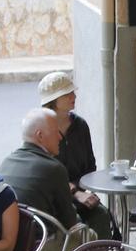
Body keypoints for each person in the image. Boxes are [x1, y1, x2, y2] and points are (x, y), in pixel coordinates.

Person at [0, 108, 81, 251]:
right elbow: (70, 222)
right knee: (88, 235)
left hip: (7, 244)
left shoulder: (6, 162)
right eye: (56, 131)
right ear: (40, 135)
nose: (60, 137)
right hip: (38, 248)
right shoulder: (54, 168)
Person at [39, 70, 105, 233]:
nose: (73, 96)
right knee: (78, 224)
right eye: (67, 94)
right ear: (53, 101)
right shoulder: (40, 129)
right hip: (52, 201)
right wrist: (75, 193)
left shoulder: (80, 126)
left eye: (73, 92)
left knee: (102, 215)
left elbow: (90, 166)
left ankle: (104, 250)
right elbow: (44, 175)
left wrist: (84, 192)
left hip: (79, 195)